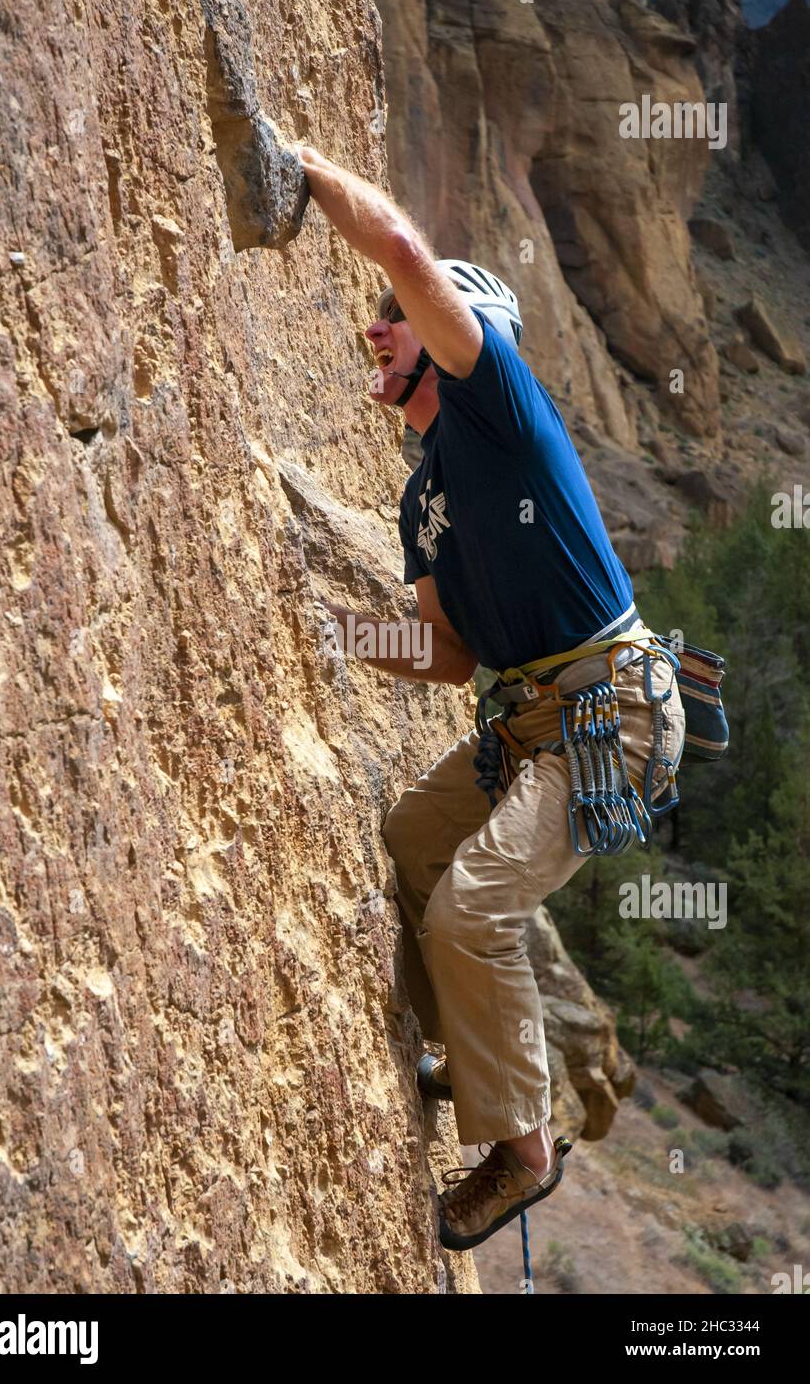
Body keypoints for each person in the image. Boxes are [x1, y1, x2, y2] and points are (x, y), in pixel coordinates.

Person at [297, 144, 686, 1251]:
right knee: (415, 840)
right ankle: (461, 1056)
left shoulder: (498, 410)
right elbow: (445, 655)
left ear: (455, 334)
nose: (374, 327)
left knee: (472, 906)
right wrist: (320, 629)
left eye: (392, 316)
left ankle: (520, 1148)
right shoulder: (428, 491)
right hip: (525, 718)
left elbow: (405, 248)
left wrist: (295, 159)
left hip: (608, 714)